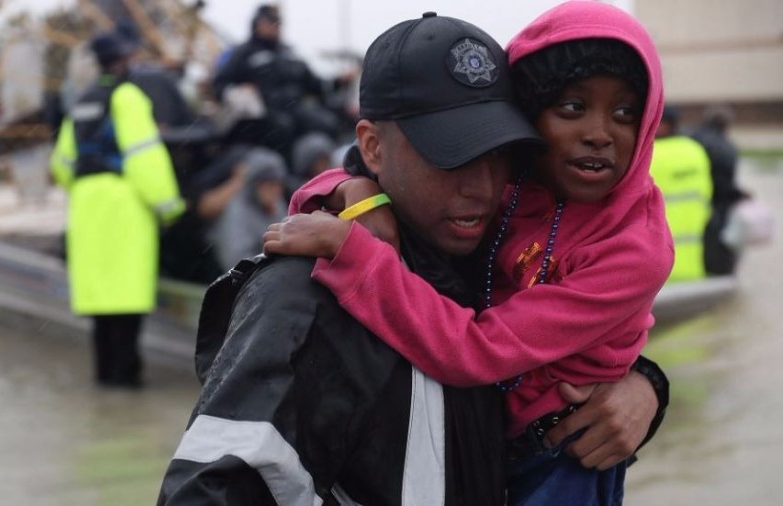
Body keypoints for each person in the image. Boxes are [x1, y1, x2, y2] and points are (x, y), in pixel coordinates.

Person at [158, 12, 667, 505]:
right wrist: (352, 204)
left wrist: (645, 383)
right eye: (451, 156)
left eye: (498, 154)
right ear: (373, 148)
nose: (482, 188)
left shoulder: (478, 239)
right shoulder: (305, 296)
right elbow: (213, 487)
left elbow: (508, 340)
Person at [50, 33, 186, 388]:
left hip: (85, 209)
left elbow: (62, 165)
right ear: (125, 62)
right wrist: (170, 208)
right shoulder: (128, 97)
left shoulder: (82, 101)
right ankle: (126, 398)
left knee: (101, 319)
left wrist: (87, 190)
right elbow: (145, 159)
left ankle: (104, 392)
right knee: (127, 315)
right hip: (123, 212)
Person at [211, 3, 354, 158]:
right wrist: (238, 90)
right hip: (264, 115)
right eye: (269, 21)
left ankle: (332, 167)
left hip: (295, 109)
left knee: (327, 122)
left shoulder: (289, 53)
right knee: (282, 128)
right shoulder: (243, 53)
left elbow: (315, 84)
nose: (275, 26)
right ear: (258, 23)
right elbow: (219, 84)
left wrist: (338, 81)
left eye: (277, 21)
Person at [650, 105, 713, 282]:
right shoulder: (695, 150)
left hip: (655, 270)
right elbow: (707, 197)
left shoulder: (650, 153)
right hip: (693, 267)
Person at [691, 104, 750, 275]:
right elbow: (723, 185)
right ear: (727, 124)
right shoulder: (727, 148)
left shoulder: (692, 137)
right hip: (715, 206)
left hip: (692, 204)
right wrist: (739, 194)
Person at [207, 147, 289, 269]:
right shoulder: (237, 210)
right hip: (239, 279)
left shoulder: (278, 204)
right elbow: (236, 262)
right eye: (268, 183)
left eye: (277, 184)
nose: (274, 190)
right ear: (254, 184)